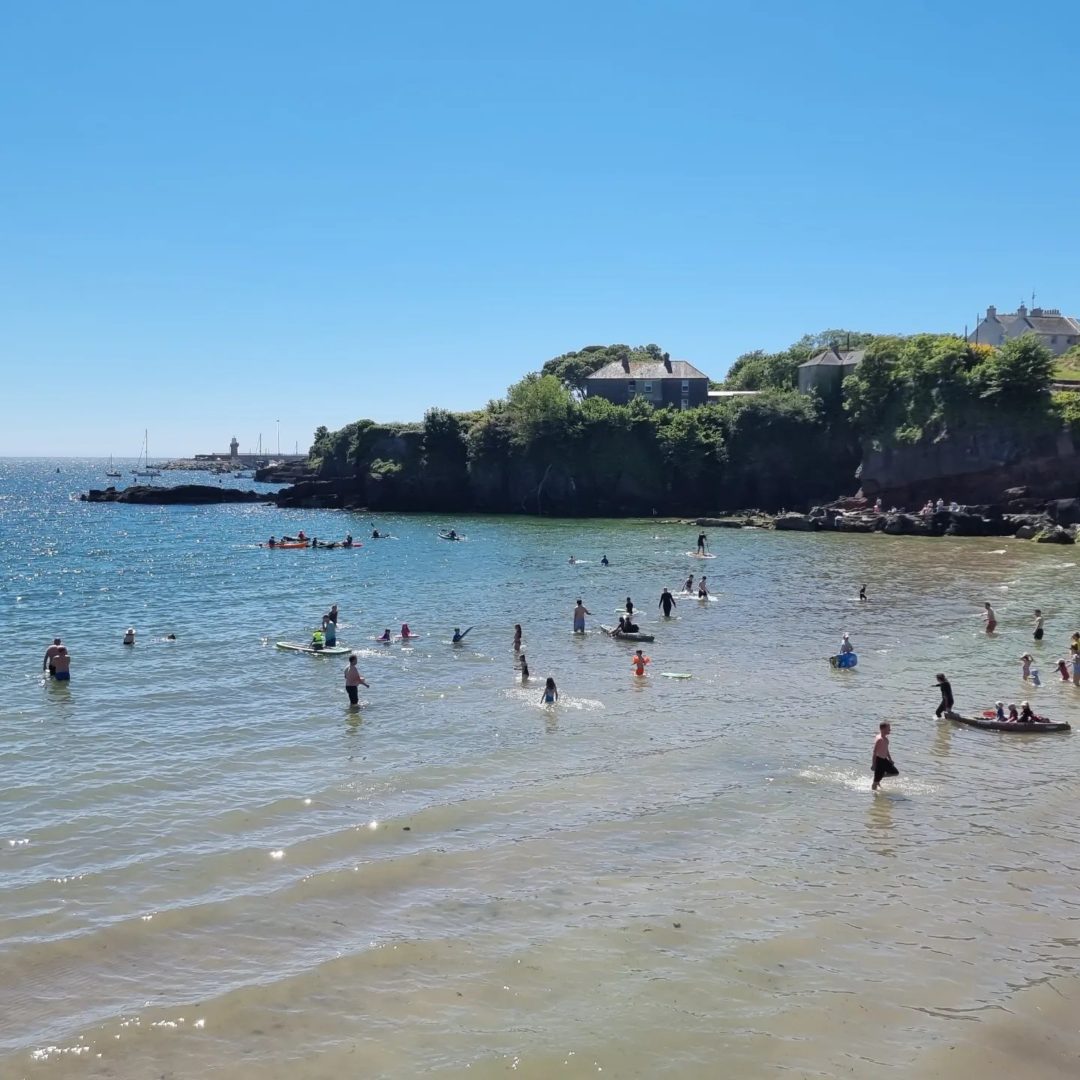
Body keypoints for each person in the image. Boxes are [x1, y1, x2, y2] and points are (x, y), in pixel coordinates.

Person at [871, 722, 899, 791]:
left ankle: (880, 776)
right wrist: (873, 764)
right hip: (879, 761)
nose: (890, 730)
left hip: (884, 760)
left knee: (895, 772)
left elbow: (886, 750)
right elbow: (874, 752)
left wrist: (890, 759)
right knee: (875, 782)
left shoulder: (886, 739)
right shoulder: (879, 739)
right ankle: (874, 794)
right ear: (883, 729)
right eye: (888, 728)